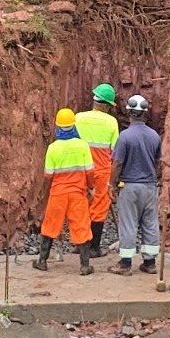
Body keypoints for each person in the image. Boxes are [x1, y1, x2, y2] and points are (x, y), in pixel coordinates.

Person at [108, 94, 163, 276]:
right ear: (145, 113)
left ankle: (125, 264)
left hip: (130, 186)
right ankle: (150, 263)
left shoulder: (125, 137)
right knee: (150, 223)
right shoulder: (154, 136)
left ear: (129, 112)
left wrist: (111, 184)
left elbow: (117, 163)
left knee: (128, 223)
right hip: (150, 186)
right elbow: (158, 161)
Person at [36, 108, 96, 275]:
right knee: (81, 226)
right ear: (73, 126)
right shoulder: (82, 146)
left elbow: (48, 175)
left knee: (50, 225)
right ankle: (84, 266)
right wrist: (91, 187)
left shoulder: (53, 148)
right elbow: (90, 171)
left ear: (58, 127)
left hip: (58, 193)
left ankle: (42, 261)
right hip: (78, 193)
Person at [75, 84, 121, 257]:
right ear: (107, 106)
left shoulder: (78, 118)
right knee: (99, 207)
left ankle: (80, 244)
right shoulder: (111, 122)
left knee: (81, 205)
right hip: (102, 171)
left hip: (80, 170)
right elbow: (115, 151)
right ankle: (93, 248)